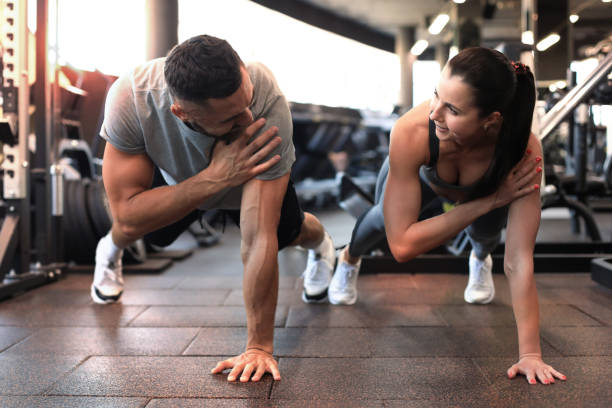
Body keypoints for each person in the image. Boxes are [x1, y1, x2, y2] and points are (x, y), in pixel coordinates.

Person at [90, 34, 336, 382]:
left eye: (247, 101)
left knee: (287, 233)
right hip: (183, 179)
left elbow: (257, 238)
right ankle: (109, 249)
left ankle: (324, 246)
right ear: (182, 113)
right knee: (137, 230)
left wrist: (259, 348)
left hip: (247, 178)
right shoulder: (131, 99)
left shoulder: (265, 93)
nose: (248, 117)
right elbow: (127, 213)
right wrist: (215, 177)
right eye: (232, 117)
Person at [329, 47, 566, 385]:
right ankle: (349, 258)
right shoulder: (411, 131)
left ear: (491, 120)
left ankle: (479, 258)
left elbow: (518, 258)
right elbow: (402, 247)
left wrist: (531, 354)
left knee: (486, 236)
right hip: (429, 178)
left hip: (481, 188)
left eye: (452, 109)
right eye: (436, 95)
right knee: (383, 218)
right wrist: (490, 201)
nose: (434, 113)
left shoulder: (522, 151)